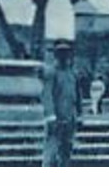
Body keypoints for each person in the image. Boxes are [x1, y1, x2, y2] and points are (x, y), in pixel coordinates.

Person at [41, 39, 80, 167]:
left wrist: (79, 114)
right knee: (51, 151)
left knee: (67, 150)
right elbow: (47, 95)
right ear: (56, 55)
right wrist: (50, 115)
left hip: (70, 117)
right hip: (56, 118)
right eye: (61, 53)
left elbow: (77, 95)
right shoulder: (51, 72)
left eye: (67, 53)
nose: (64, 56)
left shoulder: (72, 73)